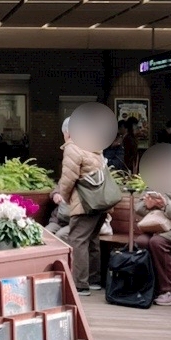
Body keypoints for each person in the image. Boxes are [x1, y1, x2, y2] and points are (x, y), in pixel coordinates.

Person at [56, 117, 108, 295]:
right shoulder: (94, 146)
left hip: (84, 201)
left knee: (77, 240)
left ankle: (80, 284)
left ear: (68, 132)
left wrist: (65, 197)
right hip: (100, 201)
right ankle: (94, 280)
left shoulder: (72, 147)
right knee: (92, 239)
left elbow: (68, 177)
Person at [135, 183, 171, 306]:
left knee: (158, 242)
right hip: (157, 227)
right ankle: (150, 287)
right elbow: (138, 207)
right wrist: (148, 206)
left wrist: (165, 205)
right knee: (142, 241)